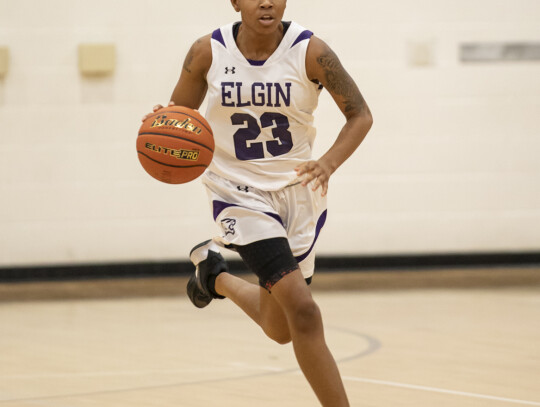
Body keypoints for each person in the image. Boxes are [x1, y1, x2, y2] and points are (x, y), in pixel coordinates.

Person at [143, 0, 372, 405]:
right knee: (304, 311)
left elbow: (360, 115)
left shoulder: (312, 51)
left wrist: (328, 163)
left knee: (280, 328)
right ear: (234, 1)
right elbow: (178, 118)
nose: (265, 1)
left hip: (300, 192)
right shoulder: (206, 53)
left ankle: (214, 276)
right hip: (237, 192)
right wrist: (164, 124)